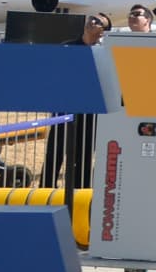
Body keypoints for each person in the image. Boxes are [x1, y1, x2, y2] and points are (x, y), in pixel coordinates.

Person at [42, 13, 107, 190]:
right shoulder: (68, 47)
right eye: (91, 18)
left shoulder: (103, 53)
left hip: (90, 114)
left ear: (103, 31)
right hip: (65, 110)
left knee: (83, 157)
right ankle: (45, 192)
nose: (92, 22)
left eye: (98, 22)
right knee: (54, 153)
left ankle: (79, 195)